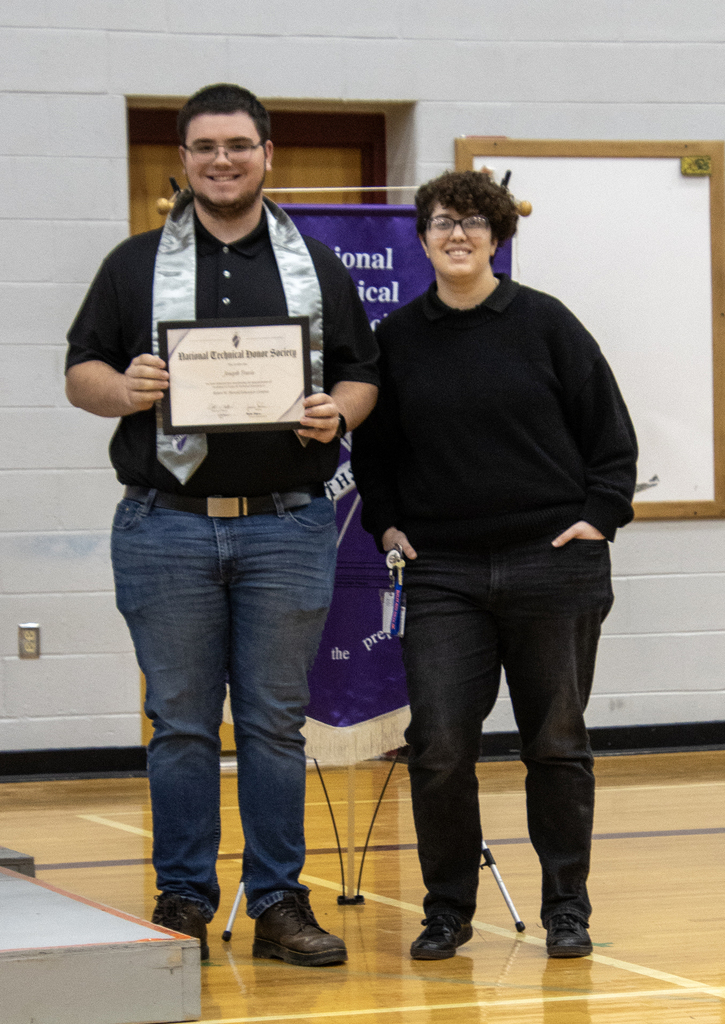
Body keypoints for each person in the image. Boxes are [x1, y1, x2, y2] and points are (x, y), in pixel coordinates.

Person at [65, 83, 379, 966]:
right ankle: (185, 898)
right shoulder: (134, 264)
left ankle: (278, 900)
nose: (222, 160)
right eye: (205, 147)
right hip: (165, 525)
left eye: (238, 145)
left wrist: (336, 416)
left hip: (286, 527)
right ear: (185, 161)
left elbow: (363, 372)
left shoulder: (314, 264)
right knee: (181, 724)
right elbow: (78, 370)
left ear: (266, 154)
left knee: (276, 724)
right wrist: (123, 390)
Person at [351, 170, 637, 961]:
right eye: (442, 221)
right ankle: (446, 910)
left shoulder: (547, 324)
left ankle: (566, 910)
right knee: (439, 746)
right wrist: (386, 524)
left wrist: (598, 517)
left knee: (555, 744)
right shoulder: (398, 339)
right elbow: (373, 455)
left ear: (497, 235)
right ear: (422, 237)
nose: (457, 234)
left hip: (552, 564)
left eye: (474, 222)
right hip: (441, 571)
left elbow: (610, 437)